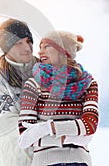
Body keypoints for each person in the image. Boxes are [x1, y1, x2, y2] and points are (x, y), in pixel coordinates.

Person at [18, 31, 99, 166]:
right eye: (40, 47)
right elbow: (25, 137)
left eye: (46, 47)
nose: (39, 52)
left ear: (63, 52)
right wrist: (71, 137)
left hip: (79, 162)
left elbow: (90, 124)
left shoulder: (88, 83)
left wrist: (46, 128)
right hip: (45, 163)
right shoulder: (33, 85)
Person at [0, 18, 36, 166]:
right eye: (18, 43)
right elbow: (10, 124)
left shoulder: (48, 71)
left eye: (28, 41)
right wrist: (49, 129)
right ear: (6, 47)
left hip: (53, 157)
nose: (27, 48)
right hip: (18, 159)